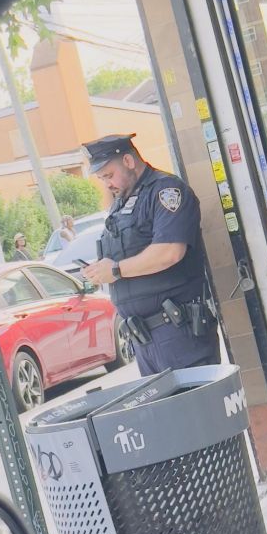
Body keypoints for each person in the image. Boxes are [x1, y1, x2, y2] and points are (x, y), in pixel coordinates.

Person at [80, 133, 219, 374]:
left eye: (109, 176)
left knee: (194, 410)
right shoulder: (121, 203)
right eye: (102, 179)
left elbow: (170, 252)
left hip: (178, 331)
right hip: (144, 339)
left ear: (128, 161)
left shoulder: (166, 191)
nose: (107, 184)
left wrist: (115, 270)